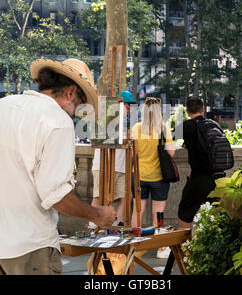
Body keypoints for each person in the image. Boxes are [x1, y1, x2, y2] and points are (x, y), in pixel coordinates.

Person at [0, 58, 115, 275]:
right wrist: (97, 215)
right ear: (70, 92)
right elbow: (56, 195)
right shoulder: (58, 121)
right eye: (81, 103)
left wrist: (7, 186)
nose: (78, 113)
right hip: (28, 242)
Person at [130, 97, 175, 258]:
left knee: (137, 211)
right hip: (158, 177)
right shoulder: (164, 129)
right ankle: (161, 248)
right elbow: (170, 153)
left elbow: (131, 152)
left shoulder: (136, 129)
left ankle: (134, 244)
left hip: (139, 176)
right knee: (159, 213)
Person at [90, 90, 136, 226]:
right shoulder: (106, 117)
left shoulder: (125, 122)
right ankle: (93, 226)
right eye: (128, 106)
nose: (129, 110)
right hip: (103, 165)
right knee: (99, 197)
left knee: (126, 196)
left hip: (121, 166)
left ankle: (118, 224)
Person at [175, 96, 217, 230]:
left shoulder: (187, 126)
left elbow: (167, 137)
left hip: (199, 178)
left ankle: (185, 247)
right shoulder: (213, 125)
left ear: (187, 111)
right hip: (218, 178)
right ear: (203, 109)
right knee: (216, 214)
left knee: (185, 212)